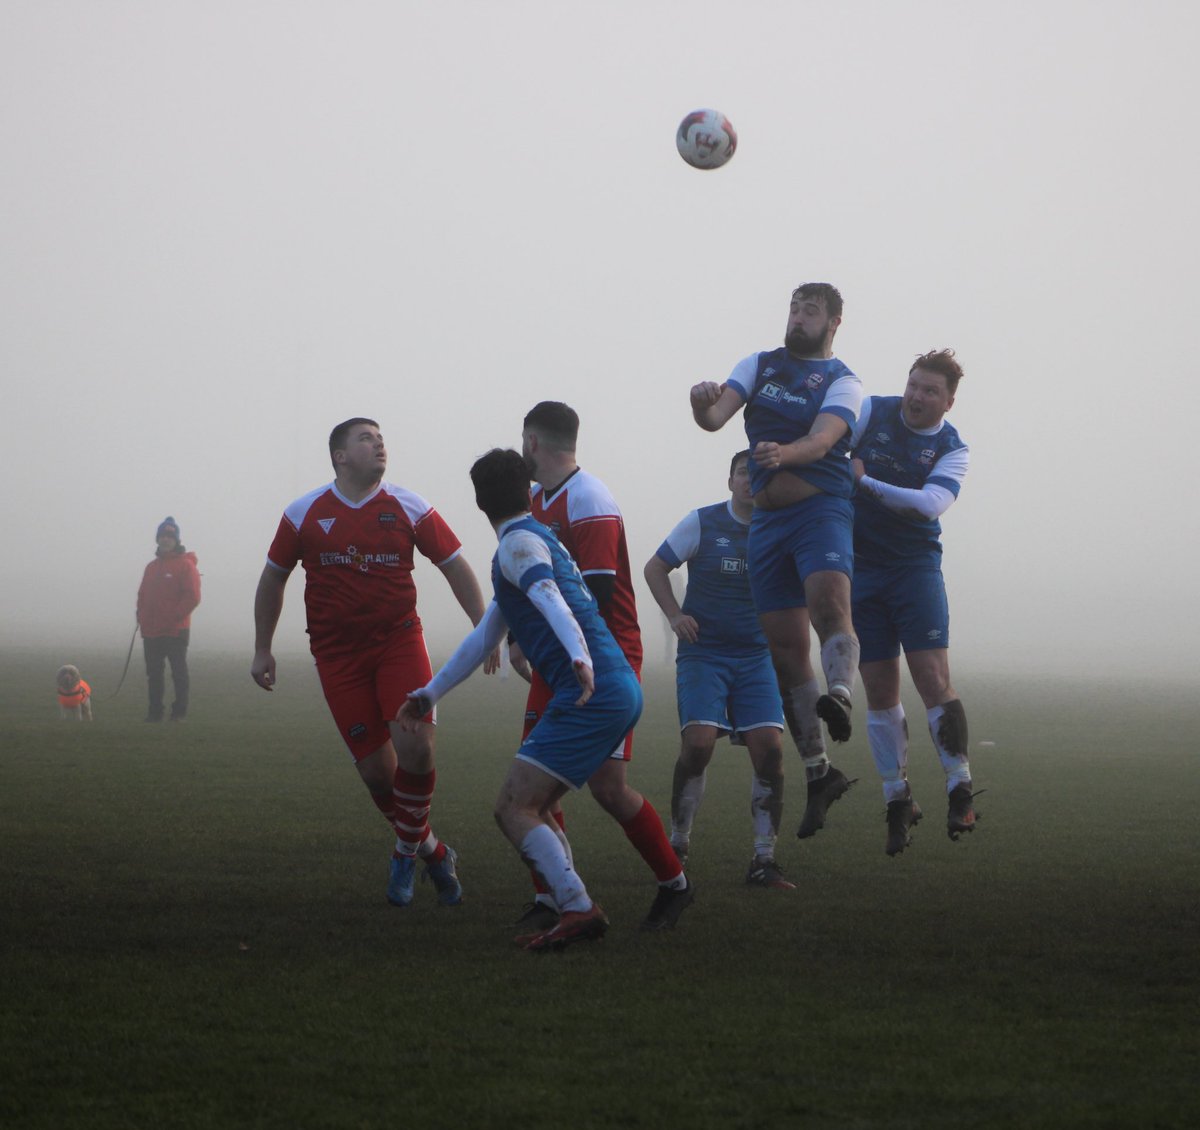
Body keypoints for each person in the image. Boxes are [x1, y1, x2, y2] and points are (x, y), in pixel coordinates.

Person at [399, 448, 667, 951]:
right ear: (529, 492)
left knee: (513, 807)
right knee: (533, 805)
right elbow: (486, 637)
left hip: (594, 691)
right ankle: (572, 905)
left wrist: (579, 657)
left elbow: (549, 597)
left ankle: (578, 908)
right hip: (612, 687)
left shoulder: (518, 544)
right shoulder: (533, 538)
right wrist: (430, 693)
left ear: (479, 502)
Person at [251, 417, 493, 908]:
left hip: (398, 644)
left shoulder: (409, 505)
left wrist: (484, 629)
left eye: (381, 438)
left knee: (416, 748)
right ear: (339, 456)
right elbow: (273, 578)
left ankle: (404, 854)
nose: (379, 444)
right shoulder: (303, 513)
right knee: (379, 776)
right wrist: (262, 646)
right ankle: (433, 850)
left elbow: (454, 566)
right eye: (366, 438)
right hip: (337, 656)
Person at [690, 283, 864, 840]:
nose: (798, 318)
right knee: (786, 652)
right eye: (793, 308)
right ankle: (820, 772)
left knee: (828, 605)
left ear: (833, 323)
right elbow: (715, 418)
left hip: (819, 510)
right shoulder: (759, 364)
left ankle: (840, 696)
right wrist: (699, 402)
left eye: (810, 311)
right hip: (766, 524)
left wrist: (783, 453)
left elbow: (822, 440)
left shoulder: (843, 381)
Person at [517, 401, 692, 932]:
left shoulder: (589, 498)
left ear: (532, 442)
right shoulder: (535, 500)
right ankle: (553, 895)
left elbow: (594, 596)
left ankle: (675, 884)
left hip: (605, 657)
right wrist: (522, 638)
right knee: (533, 776)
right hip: (559, 657)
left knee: (608, 788)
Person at [644, 450, 794, 888]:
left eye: (757, 473)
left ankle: (764, 859)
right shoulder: (703, 522)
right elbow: (655, 567)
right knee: (698, 745)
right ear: (730, 481)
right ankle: (677, 844)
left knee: (770, 751)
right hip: (704, 654)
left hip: (757, 657)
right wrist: (674, 615)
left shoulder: (780, 528)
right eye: (742, 473)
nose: (749, 480)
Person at [849, 350, 976, 854]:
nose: (916, 397)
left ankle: (959, 787)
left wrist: (863, 482)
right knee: (879, 689)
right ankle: (897, 799)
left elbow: (929, 506)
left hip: (913, 569)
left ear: (948, 401)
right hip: (861, 570)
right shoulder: (871, 412)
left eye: (930, 391)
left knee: (932, 679)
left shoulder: (952, 448)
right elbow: (830, 447)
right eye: (913, 385)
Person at [137, 516, 201, 722]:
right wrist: (141, 616)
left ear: (176, 540)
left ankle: (179, 713)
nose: (165, 540)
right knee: (154, 674)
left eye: (169, 537)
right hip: (151, 630)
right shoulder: (151, 567)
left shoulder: (186, 566)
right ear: (157, 539)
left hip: (176, 629)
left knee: (178, 673)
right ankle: (154, 713)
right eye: (162, 536)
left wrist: (173, 617)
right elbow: (142, 595)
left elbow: (193, 597)